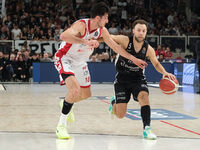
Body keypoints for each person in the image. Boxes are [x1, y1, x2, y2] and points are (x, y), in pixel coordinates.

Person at [54, 2, 147, 139]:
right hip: (65, 58)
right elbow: (63, 36)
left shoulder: (102, 31)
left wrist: (134, 59)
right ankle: (61, 126)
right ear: (98, 18)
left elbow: (116, 47)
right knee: (74, 90)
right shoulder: (81, 25)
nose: (107, 20)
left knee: (86, 94)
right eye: (106, 18)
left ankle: (66, 102)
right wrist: (86, 42)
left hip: (80, 62)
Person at [102, 19, 176, 140]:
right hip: (122, 79)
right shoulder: (125, 40)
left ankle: (147, 128)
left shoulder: (148, 49)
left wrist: (164, 72)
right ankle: (113, 102)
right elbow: (107, 37)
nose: (141, 33)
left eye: (144, 31)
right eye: (139, 30)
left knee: (144, 97)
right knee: (120, 115)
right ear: (133, 31)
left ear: (146, 32)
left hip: (138, 79)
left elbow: (156, 64)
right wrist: (92, 39)